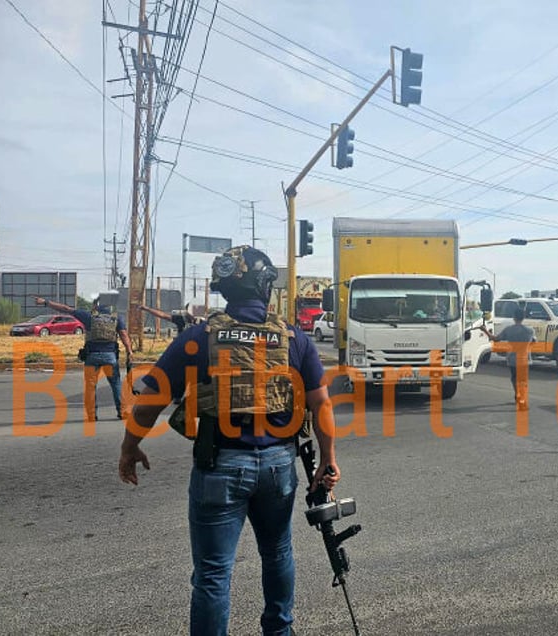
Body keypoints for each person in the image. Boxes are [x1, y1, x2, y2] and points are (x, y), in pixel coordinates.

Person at [118, 245, 340, 636]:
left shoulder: (199, 336)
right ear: (264, 287)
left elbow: (151, 400)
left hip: (220, 466)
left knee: (213, 574)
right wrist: (328, 459)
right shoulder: (293, 338)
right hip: (277, 467)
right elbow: (321, 404)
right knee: (277, 554)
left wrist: (129, 446)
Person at [33, 295, 133, 421]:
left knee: (90, 387)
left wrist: (46, 302)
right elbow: (124, 335)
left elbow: (65, 308)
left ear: (96, 305)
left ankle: (91, 415)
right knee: (116, 384)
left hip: (92, 356)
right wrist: (129, 351)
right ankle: (122, 412)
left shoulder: (88, 316)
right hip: (110, 356)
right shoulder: (116, 318)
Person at [480, 307, 536, 409]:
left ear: (514, 317)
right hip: (524, 359)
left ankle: (517, 395)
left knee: (514, 378)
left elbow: (495, 339)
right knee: (523, 381)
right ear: (523, 317)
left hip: (512, 359)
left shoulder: (509, 330)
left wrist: (485, 330)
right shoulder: (530, 330)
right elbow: (533, 341)